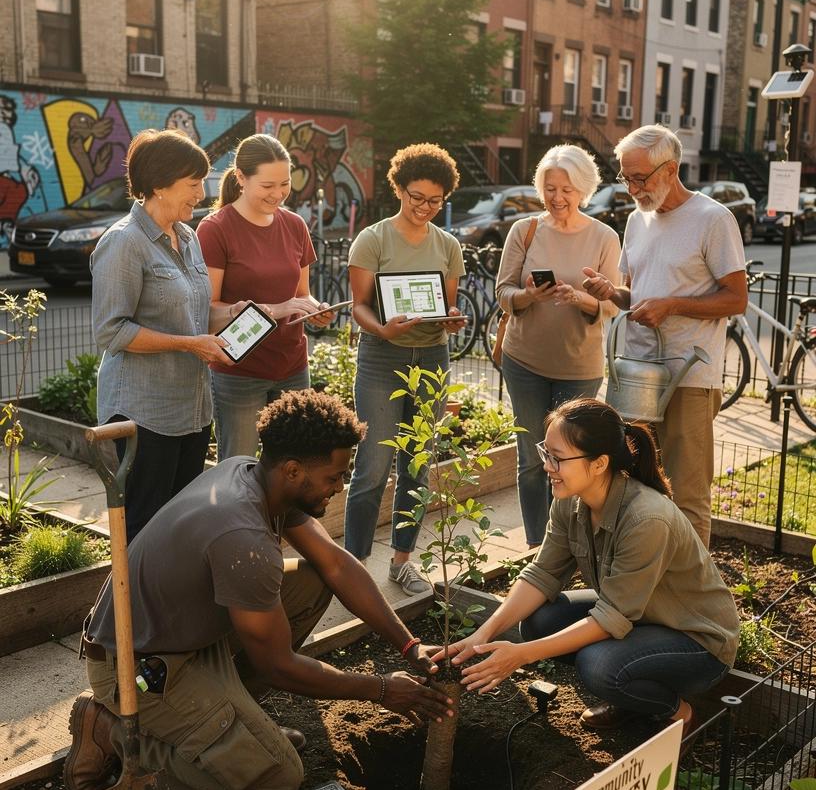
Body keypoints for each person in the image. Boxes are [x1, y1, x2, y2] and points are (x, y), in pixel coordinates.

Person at [64, 390, 451, 790]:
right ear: (292, 470)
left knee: (315, 581)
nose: (339, 487)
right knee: (276, 783)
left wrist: (409, 646)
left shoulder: (253, 475)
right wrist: (380, 690)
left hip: (184, 638)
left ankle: (235, 726)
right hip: (137, 670)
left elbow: (337, 566)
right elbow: (278, 666)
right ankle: (111, 731)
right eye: (334, 477)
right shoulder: (243, 538)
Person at [437, 398, 739, 735]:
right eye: (545, 453)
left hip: (696, 642)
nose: (548, 466)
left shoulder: (647, 518)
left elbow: (612, 615)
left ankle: (679, 714)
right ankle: (631, 693)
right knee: (538, 621)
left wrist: (519, 656)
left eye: (558, 458)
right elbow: (542, 574)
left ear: (598, 464)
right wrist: (483, 634)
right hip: (641, 619)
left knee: (598, 666)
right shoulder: (572, 502)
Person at [583, 124, 747, 547]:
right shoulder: (637, 221)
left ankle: (691, 598)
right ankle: (643, 579)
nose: (633, 187)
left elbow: (736, 299)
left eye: (641, 177)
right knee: (636, 485)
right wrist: (610, 293)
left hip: (689, 376)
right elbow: (637, 297)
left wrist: (672, 305)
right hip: (636, 376)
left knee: (687, 493)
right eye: (626, 177)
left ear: (671, 169)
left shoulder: (713, 219)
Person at [91, 129, 233, 543]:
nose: (202, 193)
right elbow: (110, 331)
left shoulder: (188, 238)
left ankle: (168, 607)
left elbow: (191, 309)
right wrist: (190, 344)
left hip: (191, 409)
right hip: (144, 411)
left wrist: (232, 313)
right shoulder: (123, 243)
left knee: (180, 525)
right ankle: (128, 608)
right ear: (159, 185)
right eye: (193, 184)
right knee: (145, 528)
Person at [344, 143, 466, 595]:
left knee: (417, 463)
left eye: (435, 201)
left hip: (432, 357)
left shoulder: (448, 245)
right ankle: (354, 566)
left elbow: (447, 304)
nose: (425, 208)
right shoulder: (373, 239)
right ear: (398, 187)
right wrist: (382, 330)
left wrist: (451, 318)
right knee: (373, 465)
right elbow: (358, 306)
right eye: (417, 197)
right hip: (382, 357)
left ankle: (402, 561)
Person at [495, 144, 620, 547]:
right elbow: (503, 291)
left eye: (566, 189)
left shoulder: (604, 237)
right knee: (531, 459)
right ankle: (536, 545)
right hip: (524, 361)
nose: (557, 197)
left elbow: (612, 305)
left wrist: (579, 299)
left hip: (579, 367)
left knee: (571, 463)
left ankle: (565, 546)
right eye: (550, 188)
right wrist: (529, 296)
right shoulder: (525, 230)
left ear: (582, 189)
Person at [196, 133, 333, 460]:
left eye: (284, 184)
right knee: (238, 467)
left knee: (293, 465)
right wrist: (277, 308)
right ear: (241, 178)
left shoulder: (296, 225)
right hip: (238, 371)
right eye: (267, 186)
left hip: (293, 365)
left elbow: (303, 296)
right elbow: (208, 310)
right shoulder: (214, 229)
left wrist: (316, 310)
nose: (279, 194)